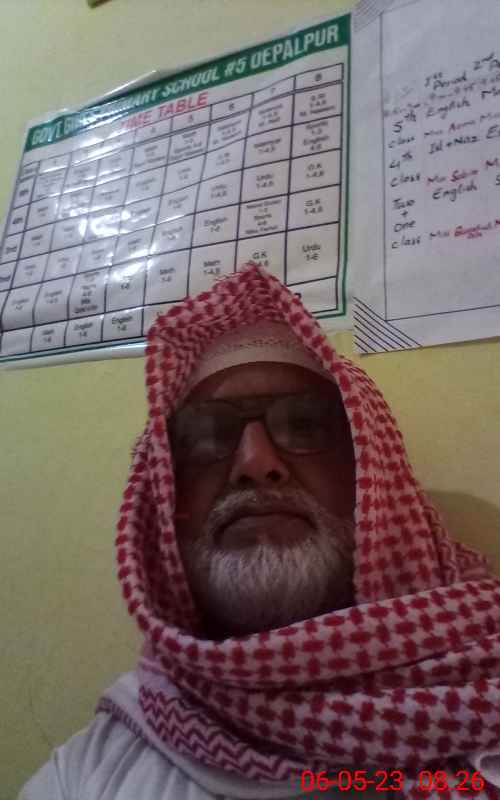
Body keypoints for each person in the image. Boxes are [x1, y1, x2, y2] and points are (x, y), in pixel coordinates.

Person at [19, 263, 500, 799]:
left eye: (307, 425)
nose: (255, 462)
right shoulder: (91, 774)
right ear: (168, 497)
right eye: (207, 437)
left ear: (372, 477)